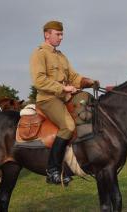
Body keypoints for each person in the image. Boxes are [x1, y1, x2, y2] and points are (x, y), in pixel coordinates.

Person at [30, 20, 99, 185]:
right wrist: (64, 88)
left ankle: (85, 157)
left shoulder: (61, 56)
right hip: (48, 99)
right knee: (68, 126)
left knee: (87, 101)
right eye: (58, 34)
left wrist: (87, 81)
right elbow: (39, 80)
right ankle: (52, 170)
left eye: (62, 34)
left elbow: (74, 77)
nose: (61, 37)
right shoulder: (39, 54)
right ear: (47, 35)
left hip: (65, 97)